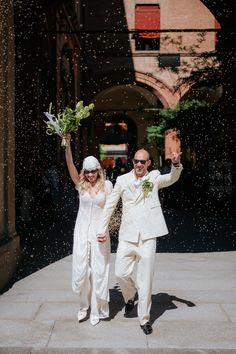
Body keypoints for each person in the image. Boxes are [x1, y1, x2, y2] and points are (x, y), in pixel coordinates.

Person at [97, 149, 182, 334]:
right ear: (132, 162)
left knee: (146, 280)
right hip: (127, 235)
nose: (139, 164)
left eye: (143, 161)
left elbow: (171, 178)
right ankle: (130, 296)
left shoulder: (154, 177)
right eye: (136, 161)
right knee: (120, 272)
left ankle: (144, 319)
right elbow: (110, 205)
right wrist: (101, 228)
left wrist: (175, 165)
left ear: (149, 163)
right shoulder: (122, 180)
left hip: (148, 236)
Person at [64, 134, 113, 326]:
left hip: (100, 234)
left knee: (99, 271)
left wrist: (105, 230)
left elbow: (110, 211)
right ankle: (83, 306)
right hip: (81, 232)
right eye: (88, 172)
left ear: (99, 170)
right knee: (83, 270)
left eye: (93, 171)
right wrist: (67, 144)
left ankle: (96, 308)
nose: (91, 175)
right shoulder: (81, 186)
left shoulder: (107, 186)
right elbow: (70, 166)